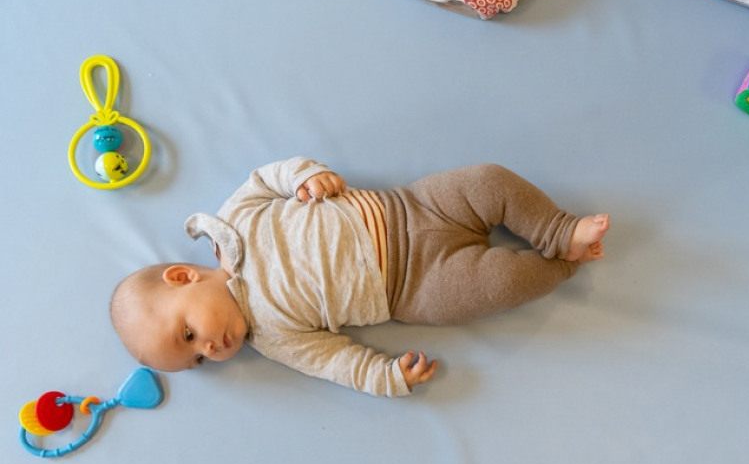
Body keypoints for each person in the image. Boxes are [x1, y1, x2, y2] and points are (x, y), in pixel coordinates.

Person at [110, 157, 610, 397]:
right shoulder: (273, 337)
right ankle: (563, 262)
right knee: (497, 286)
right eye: (199, 360)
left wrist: (304, 177)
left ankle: (556, 229)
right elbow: (335, 362)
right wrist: (384, 378)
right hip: (416, 287)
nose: (211, 350)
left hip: (410, 207)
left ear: (182, 277)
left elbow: (266, 178)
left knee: (488, 181)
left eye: (189, 334)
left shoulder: (235, 218)